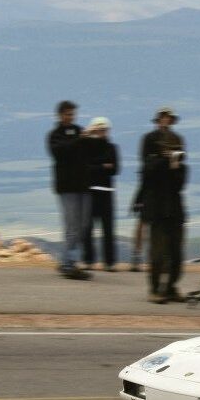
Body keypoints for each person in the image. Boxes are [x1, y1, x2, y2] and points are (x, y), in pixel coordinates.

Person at [140, 107, 187, 303]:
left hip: (174, 206)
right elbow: (147, 170)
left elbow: (180, 182)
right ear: (158, 119)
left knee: (176, 252)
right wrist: (162, 159)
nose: (166, 121)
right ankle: (154, 288)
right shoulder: (149, 140)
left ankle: (171, 287)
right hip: (156, 205)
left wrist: (175, 165)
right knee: (158, 252)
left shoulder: (178, 140)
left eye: (169, 118)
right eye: (164, 118)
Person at [46, 100, 92, 280]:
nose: (70, 117)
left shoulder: (80, 132)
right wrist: (80, 139)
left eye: (72, 114)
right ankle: (69, 264)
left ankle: (68, 260)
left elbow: (90, 153)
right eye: (67, 114)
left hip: (83, 185)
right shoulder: (54, 135)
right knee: (72, 226)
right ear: (59, 115)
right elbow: (61, 153)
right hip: (67, 187)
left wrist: (93, 139)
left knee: (83, 226)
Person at [81, 117, 120, 271]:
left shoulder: (112, 147)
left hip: (107, 192)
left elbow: (115, 169)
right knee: (88, 228)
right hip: (90, 191)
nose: (102, 132)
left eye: (104, 129)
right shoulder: (87, 147)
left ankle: (109, 262)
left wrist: (96, 166)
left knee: (108, 229)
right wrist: (104, 165)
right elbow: (85, 168)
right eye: (99, 129)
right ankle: (89, 260)